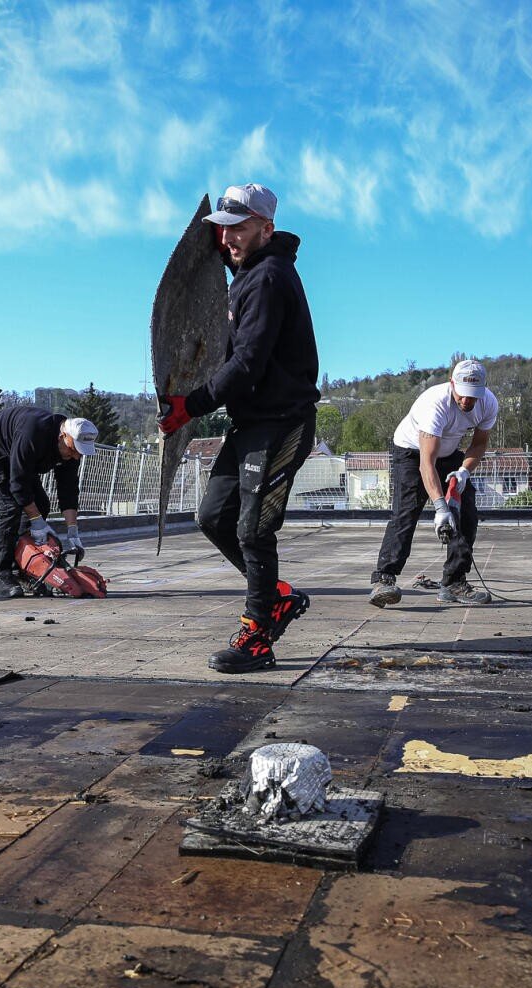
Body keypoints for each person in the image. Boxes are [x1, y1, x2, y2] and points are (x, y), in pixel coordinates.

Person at [158, 183, 319, 674]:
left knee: (253, 528)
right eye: (223, 228)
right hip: (250, 423)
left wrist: (192, 407)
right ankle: (278, 598)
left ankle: (257, 636)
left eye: (240, 228)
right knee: (212, 516)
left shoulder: (269, 277)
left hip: (283, 423)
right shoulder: (246, 275)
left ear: (266, 229)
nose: (228, 237)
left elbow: (248, 363)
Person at [369, 358, 499, 607]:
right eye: (462, 395)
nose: (466, 401)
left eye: (473, 396)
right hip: (412, 452)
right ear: (452, 384)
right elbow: (426, 463)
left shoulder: (488, 403)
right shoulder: (435, 403)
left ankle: (453, 582)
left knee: (466, 514)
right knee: (406, 512)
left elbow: (480, 444)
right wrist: (440, 508)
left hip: (450, 455)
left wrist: (463, 472)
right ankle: (384, 579)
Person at [0, 406, 97, 598]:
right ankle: (2, 576)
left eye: (80, 452)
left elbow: (68, 490)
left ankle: (24, 570)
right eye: (73, 450)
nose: (76, 456)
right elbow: (18, 485)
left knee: (41, 505)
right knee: (10, 509)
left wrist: (73, 531)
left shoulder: (72, 449)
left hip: (17, 459)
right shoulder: (33, 433)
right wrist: (37, 522)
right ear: (63, 436)